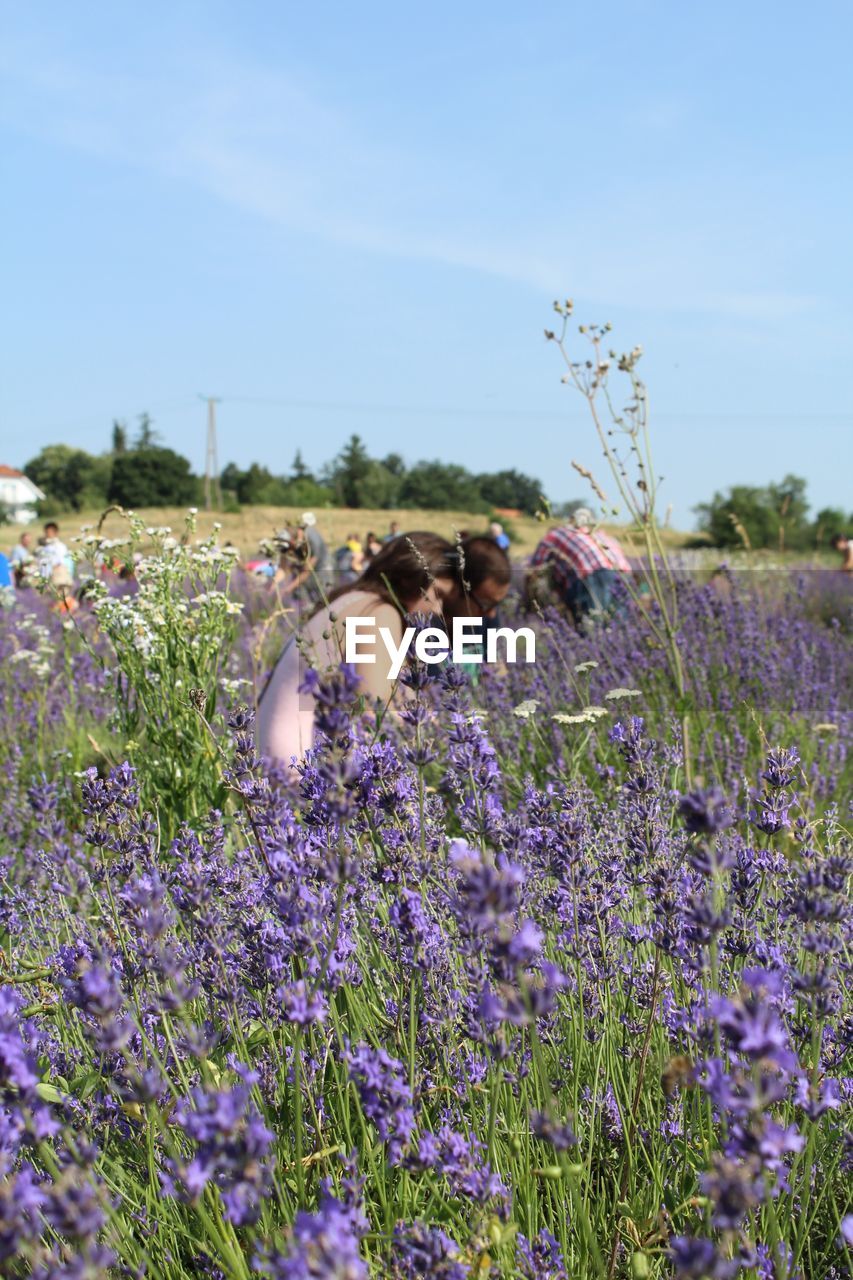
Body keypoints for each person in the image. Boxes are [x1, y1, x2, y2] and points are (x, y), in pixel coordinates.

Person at [257, 532, 460, 767]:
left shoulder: (353, 599)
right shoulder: (378, 613)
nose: (437, 608)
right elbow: (374, 714)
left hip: (271, 760)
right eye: (438, 595)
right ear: (410, 579)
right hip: (296, 775)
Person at [527, 508, 631, 625]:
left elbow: (535, 565)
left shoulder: (554, 535)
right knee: (620, 625)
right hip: (625, 575)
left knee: (592, 624)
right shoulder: (597, 533)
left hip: (596, 573)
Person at [272, 514, 331, 604]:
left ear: (293, 541)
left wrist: (287, 589)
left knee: (323, 602)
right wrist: (273, 587)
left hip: (323, 571)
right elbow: (283, 569)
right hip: (305, 573)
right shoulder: (286, 539)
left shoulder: (313, 540)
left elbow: (306, 571)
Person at [36, 522, 74, 589]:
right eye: (46, 532)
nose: (48, 534)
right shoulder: (44, 548)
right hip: (48, 579)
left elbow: (65, 562)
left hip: (60, 577)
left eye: (50, 532)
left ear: (55, 532)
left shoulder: (61, 546)